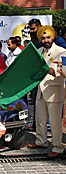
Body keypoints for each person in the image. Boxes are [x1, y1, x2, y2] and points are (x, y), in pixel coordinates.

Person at [28, 25, 66, 158]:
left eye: (48, 37)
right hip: (40, 90)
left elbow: (64, 71)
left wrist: (53, 70)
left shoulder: (62, 51)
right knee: (40, 119)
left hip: (54, 90)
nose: (45, 40)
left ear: (53, 37)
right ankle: (41, 141)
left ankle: (57, 147)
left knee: (55, 122)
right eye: (43, 38)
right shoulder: (39, 50)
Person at [28, 18, 42, 129]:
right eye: (30, 29)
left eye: (33, 29)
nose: (32, 31)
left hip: (42, 76)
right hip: (34, 76)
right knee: (35, 101)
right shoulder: (33, 40)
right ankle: (36, 124)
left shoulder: (42, 41)